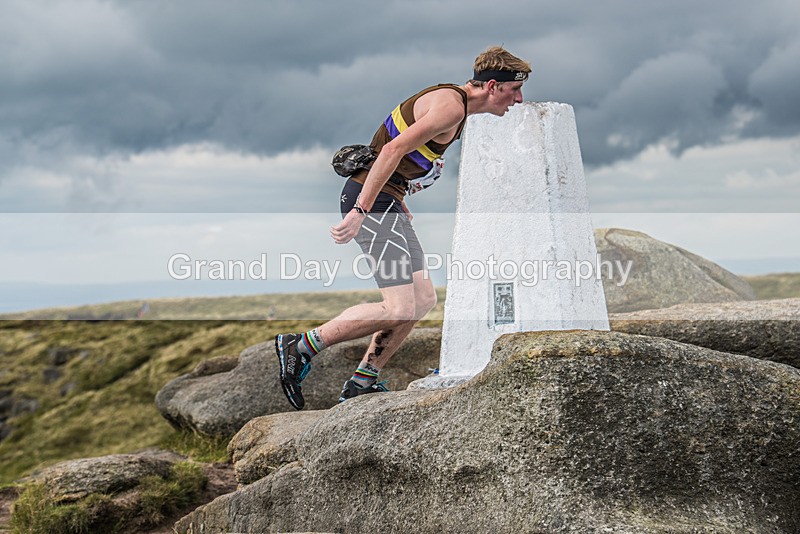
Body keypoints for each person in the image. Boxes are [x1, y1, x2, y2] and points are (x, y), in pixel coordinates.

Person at [275, 46, 531, 410]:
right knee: (397, 307)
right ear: (492, 86)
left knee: (423, 299)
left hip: (386, 202)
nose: (518, 99)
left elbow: (399, 157)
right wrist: (362, 210)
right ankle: (300, 346)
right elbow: (391, 151)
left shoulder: (455, 107)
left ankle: (363, 380)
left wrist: (397, 197)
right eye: (514, 90)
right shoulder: (451, 107)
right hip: (373, 203)